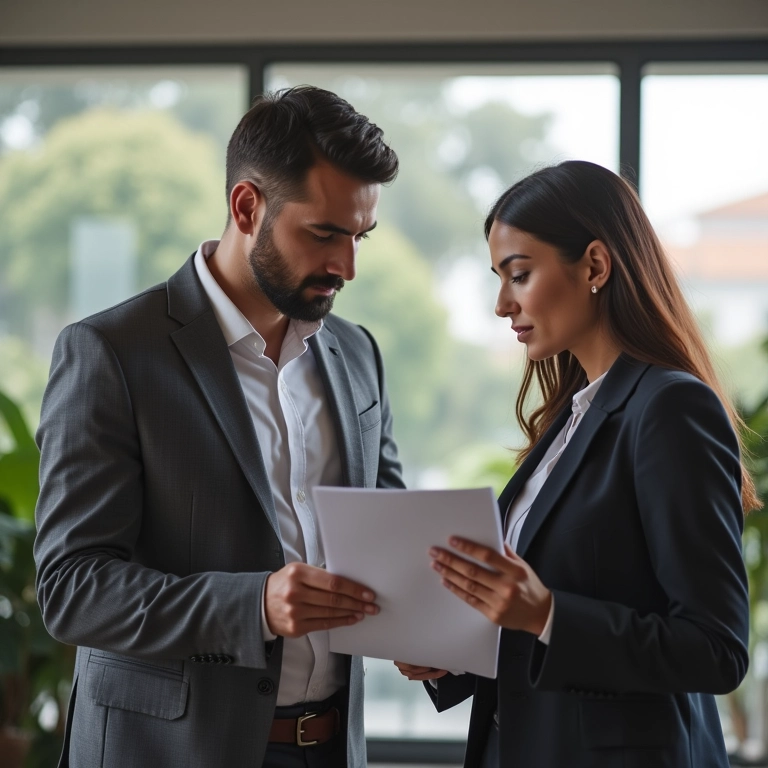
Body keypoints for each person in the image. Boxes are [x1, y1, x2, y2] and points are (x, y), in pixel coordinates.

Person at [34, 85, 403, 768]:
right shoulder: (112, 353)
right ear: (246, 206)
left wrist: (430, 629)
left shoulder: (357, 354)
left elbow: (387, 533)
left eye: (358, 238)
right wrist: (254, 604)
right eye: (324, 234)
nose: (346, 267)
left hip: (331, 748)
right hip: (170, 751)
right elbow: (73, 587)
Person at [394, 160, 753, 768]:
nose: (502, 304)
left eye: (520, 274)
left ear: (594, 265)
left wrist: (547, 613)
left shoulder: (668, 408)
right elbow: (547, 625)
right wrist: (458, 651)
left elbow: (715, 649)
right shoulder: (570, 417)